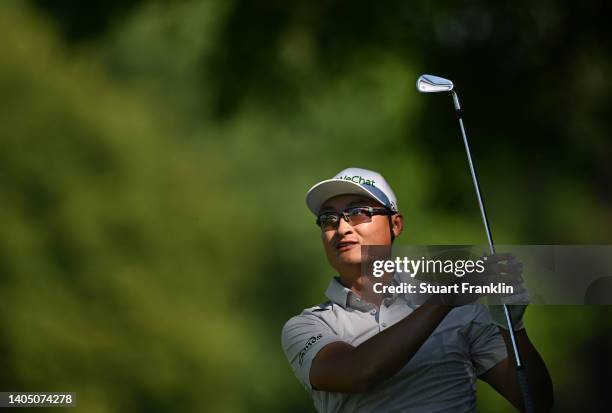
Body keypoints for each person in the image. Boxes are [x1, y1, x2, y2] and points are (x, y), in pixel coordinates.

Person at [281, 167, 553, 412]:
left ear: (395, 224)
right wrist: (446, 299)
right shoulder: (308, 325)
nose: (341, 227)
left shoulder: (462, 312)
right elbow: (359, 372)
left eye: (358, 213)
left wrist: (512, 329)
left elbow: (536, 402)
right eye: (329, 219)